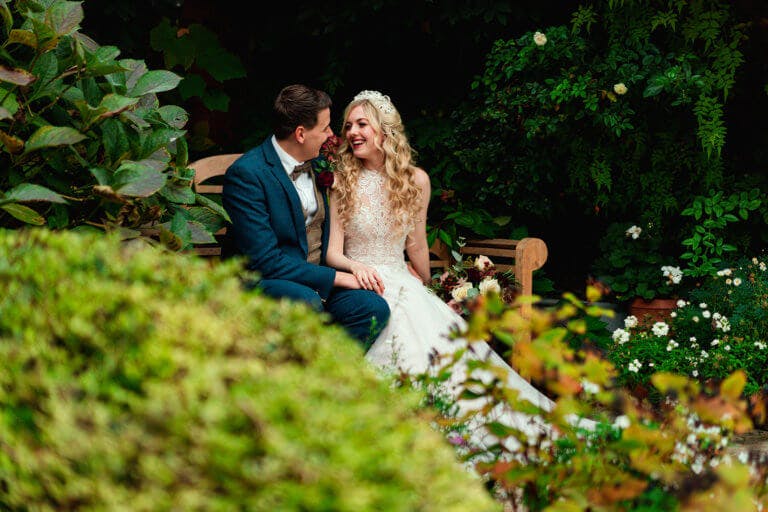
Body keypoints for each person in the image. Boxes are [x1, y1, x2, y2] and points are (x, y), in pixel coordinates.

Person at [326, 90, 588, 448]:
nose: (353, 132)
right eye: (348, 125)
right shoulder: (342, 181)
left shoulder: (415, 180)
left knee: (449, 350)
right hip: (358, 281)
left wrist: (437, 288)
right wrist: (357, 267)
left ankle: (467, 431)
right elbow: (332, 254)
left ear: (384, 131)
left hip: (403, 281)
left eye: (362, 124)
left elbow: (416, 244)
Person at [222, 84, 390, 345]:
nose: (331, 134)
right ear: (301, 134)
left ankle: (331, 374)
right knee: (305, 301)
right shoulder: (247, 175)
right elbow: (265, 261)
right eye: (325, 128)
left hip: (315, 278)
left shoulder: (321, 166)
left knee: (372, 309)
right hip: (267, 281)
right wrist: (338, 277)